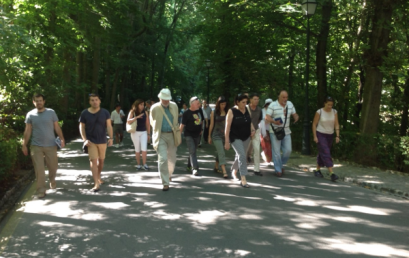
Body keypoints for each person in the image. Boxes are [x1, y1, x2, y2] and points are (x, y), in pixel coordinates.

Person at [22, 93, 65, 198]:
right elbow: (27, 131)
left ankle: (52, 180)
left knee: (53, 167)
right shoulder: (30, 114)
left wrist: (62, 138)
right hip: (36, 146)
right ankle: (41, 189)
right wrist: (24, 144)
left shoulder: (51, 112)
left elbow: (57, 127)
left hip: (51, 145)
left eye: (40, 100)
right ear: (33, 102)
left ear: (44, 101)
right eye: (37, 101)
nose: (39, 102)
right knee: (39, 169)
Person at [79, 93, 113, 191]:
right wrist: (84, 140)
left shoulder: (105, 112)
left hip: (102, 140)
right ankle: (96, 183)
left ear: (100, 101)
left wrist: (111, 138)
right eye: (92, 100)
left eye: (96, 100)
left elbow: (109, 126)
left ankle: (98, 176)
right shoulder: (85, 113)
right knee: (93, 161)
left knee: (101, 161)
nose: (95, 102)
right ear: (89, 102)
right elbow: (81, 126)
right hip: (91, 141)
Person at [150, 89, 179, 191]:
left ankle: (169, 174)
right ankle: (165, 182)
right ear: (160, 98)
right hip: (160, 135)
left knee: (171, 158)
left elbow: (176, 120)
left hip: (172, 135)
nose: (166, 101)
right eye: (164, 99)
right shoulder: (154, 108)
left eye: (168, 99)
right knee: (163, 159)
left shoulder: (174, 106)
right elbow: (152, 122)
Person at [265, 90, 299, 177]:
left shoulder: (290, 104)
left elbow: (294, 114)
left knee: (288, 150)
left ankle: (281, 164)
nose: (285, 99)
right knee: (276, 151)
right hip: (275, 131)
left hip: (286, 131)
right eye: (283, 97)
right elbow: (267, 117)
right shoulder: (273, 105)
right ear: (279, 97)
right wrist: (274, 121)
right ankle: (278, 170)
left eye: (286, 97)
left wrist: (296, 117)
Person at [225, 94, 256, 188]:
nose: (245, 104)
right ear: (237, 102)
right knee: (242, 155)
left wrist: (253, 130)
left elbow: (249, 121)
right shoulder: (232, 111)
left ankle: (234, 171)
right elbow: (227, 127)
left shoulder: (247, 109)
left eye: (246, 102)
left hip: (246, 137)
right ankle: (243, 179)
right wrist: (227, 141)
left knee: (240, 155)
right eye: (243, 102)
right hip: (235, 137)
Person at [312, 96, 340, 181]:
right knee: (326, 152)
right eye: (328, 105)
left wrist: (337, 135)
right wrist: (315, 136)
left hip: (330, 135)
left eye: (331, 105)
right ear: (325, 103)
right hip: (320, 134)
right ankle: (332, 173)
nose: (330, 107)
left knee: (322, 152)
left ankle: (317, 170)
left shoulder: (334, 112)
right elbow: (314, 124)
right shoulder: (319, 112)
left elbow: (336, 124)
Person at [180, 97, 203, 176]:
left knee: (193, 151)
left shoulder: (199, 110)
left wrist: (201, 130)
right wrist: (179, 136)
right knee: (192, 151)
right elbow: (182, 125)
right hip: (188, 134)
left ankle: (189, 165)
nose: (199, 105)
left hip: (197, 134)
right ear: (192, 104)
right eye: (197, 103)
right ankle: (195, 168)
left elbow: (201, 120)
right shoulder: (186, 113)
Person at [208, 96, 229, 178]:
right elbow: (211, 124)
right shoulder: (214, 112)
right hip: (216, 135)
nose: (223, 106)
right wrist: (209, 136)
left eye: (224, 104)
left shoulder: (228, 112)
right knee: (221, 152)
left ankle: (216, 167)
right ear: (218, 104)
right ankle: (224, 170)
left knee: (221, 151)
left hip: (225, 135)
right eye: (221, 104)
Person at [128, 99, 150, 170]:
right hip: (135, 132)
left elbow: (147, 123)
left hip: (143, 132)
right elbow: (128, 121)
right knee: (137, 149)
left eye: (143, 105)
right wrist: (136, 117)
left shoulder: (145, 112)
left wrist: (149, 134)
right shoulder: (132, 112)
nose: (142, 106)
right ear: (137, 105)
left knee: (144, 149)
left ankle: (144, 164)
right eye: (141, 105)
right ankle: (138, 164)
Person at [246, 93, 263, 176]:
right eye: (255, 99)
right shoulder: (246, 108)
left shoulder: (259, 110)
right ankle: (240, 165)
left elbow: (259, 120)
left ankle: (257, 169)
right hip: (246, 132)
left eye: (258, 99)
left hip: (256, 131)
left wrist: (254, 129)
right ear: (251, 100)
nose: (256, 101)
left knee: (257, 150)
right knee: (244, 150)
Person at [260, 98, 273, 164]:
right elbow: (261, 122)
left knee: (271, 146)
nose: (269, 106)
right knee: (266, 145)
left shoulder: (274, 111)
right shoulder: (262, 111)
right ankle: (268, 160)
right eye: (268, 104)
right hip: (264, 130)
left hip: (272, 131)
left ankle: (268, 158)